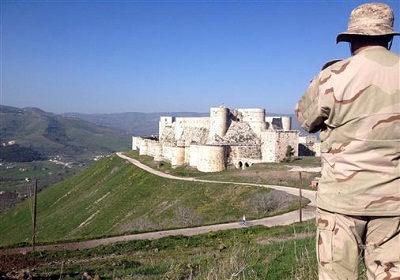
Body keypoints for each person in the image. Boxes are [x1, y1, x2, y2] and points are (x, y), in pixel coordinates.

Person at [295, 3, 399, 280]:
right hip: (395, 205)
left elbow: (306, 122)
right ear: (388, 39)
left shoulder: (332, 77)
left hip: (341, 202)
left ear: (351, 40)